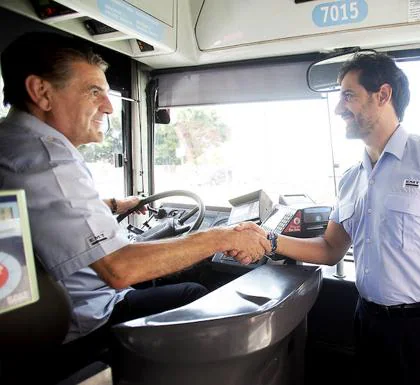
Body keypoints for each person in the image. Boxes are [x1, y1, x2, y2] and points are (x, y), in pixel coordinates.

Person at [234, 52, 420, 385]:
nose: (338, 108)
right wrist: (269, 241)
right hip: (368, 322)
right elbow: (331, 248)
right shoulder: (353, 178)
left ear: (383, 95)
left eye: (349, 95)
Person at [0, 32, 270, 349]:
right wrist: (223, 236)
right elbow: (120, 269)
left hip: (53, 318)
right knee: (194, 296)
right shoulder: (49, 160)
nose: (109, 107)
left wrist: (115, 204)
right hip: (87, 323)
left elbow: (41, 213)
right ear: (41, 92)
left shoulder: (13, 145)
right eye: (93, 92)